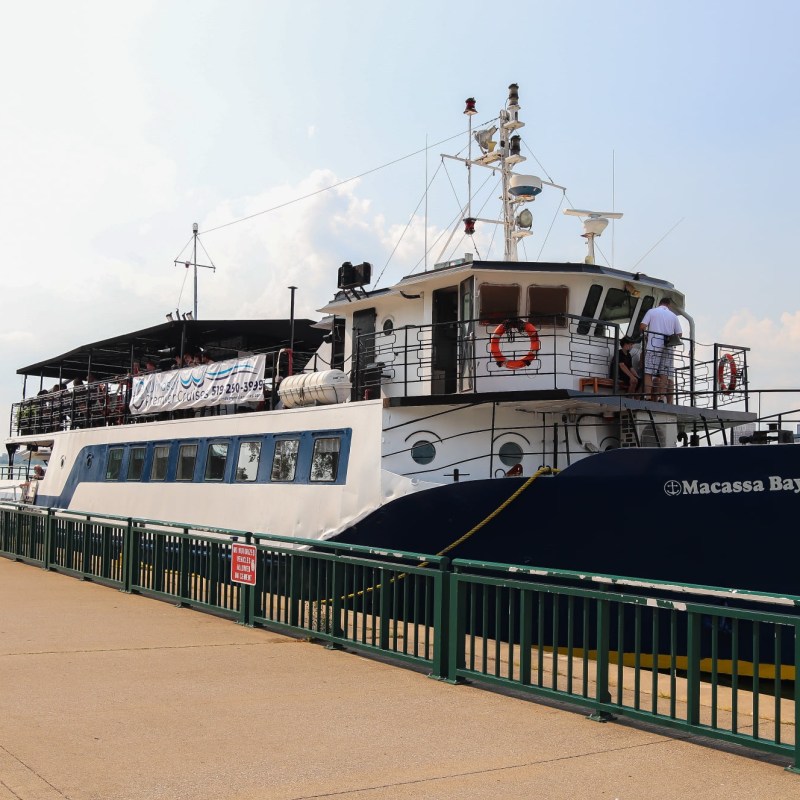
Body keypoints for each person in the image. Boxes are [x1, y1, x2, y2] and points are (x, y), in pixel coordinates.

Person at [639, 297, 682, 403]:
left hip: (653, 345)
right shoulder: (673, 316)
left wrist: (647, 335)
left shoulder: (652, 311)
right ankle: (661, 398)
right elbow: (679, 334)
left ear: (659, 303)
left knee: (648, 372)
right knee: (664, 374)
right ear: (669, 305)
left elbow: (642, 326)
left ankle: (648, 397)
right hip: (668, 347)